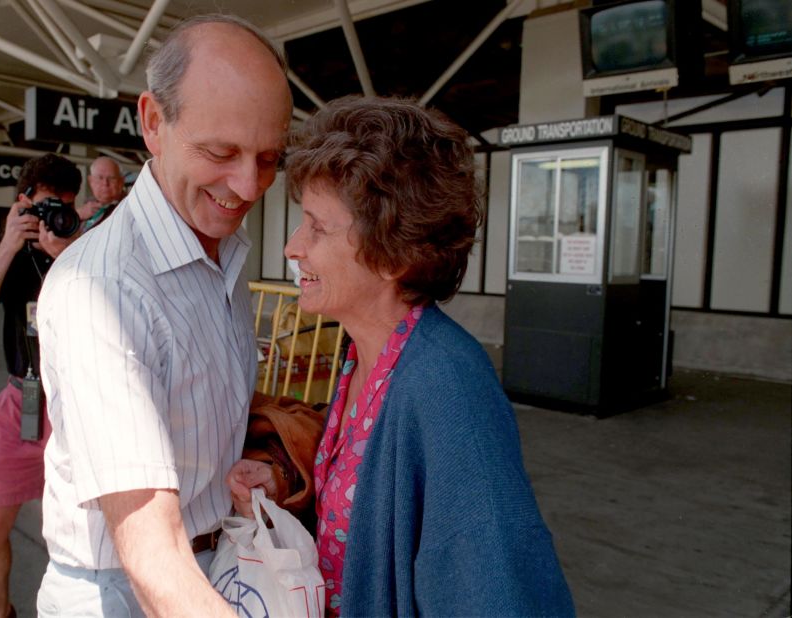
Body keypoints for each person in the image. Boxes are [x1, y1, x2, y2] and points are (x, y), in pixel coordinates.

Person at [227, 96, 576, 617]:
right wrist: (283, 481)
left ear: (393, 252)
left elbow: (498, 585)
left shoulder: (448, 388)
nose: (293, 247)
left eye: (317, 227)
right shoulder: (365, 354)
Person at [34, 13, 292, 617]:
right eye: (220, 152)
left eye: (268, 158)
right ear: (153, 123)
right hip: (123, 590)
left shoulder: (222, 249)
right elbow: (150, 547)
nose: (249, 185)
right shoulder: (101, 287)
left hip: (214, 561)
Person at [0, 154, 81, 618]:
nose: (56, 218)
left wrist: (65, 255)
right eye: (47, 206)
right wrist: (9, 245)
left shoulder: (83, 251)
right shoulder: (8, 253)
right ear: (23, 204)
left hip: (79, 408)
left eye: (65, 207)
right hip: (22, 403)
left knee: (78, 537)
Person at [78, 156, 126, 232]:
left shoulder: (128, 207)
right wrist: (78, 215)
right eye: (100, 178)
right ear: (90, 181)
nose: (105, 183)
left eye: (111, 178)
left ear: (121, 181)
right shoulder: (86, 206)